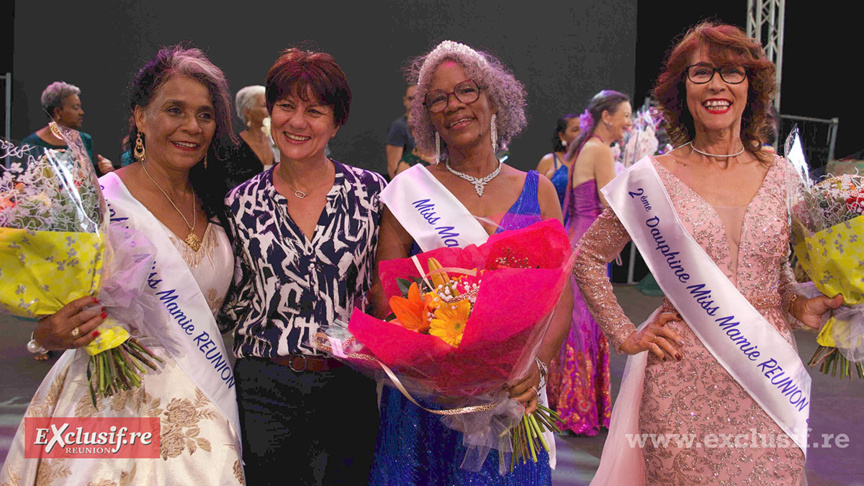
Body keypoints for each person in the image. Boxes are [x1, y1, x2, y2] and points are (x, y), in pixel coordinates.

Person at [573, 22, 843, 485]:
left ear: (750, 86)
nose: (717, 84)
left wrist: (800, 304)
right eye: (701, 73)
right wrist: (624, 334)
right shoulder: (650, 178)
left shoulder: (782, 175)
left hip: (766, 376)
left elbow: (773, 275)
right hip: (682, 379)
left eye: (731, 72)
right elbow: (587, 258)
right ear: (683, 90)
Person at [0, 45, 244, 485]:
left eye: (205, 115)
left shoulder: (218, 202)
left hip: (202, 406)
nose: (192, 126)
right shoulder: (96, 203)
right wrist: (44, 336)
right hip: (108, 410)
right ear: (140, 116)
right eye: (175, 110)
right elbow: (48, 319)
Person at [369, 40, 572, 485]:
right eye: (438, 99)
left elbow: (560, 295)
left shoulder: (538, 191)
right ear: (427, 116)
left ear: (493, 97)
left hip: (510, 395)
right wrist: (435, 346)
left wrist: (534, 367)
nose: (453, 105)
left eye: (466, 90)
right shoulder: (410, 189)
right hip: (427, 402)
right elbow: (386, 292)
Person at [219, 48, 385, 486]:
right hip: (265, 384)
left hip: (348, 383)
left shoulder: (371, 194)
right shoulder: (241, 202)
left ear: (336, 121)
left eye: (314, 110)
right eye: (286, 107)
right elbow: (231, 299)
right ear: (269, 112)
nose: (297, 122)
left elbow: (387, 289)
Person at [546, 90, 631, 436]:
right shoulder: (600, 149)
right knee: (584, 326)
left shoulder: (586, 147)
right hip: (588, 246)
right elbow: (612, 206)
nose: (628, 122)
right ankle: (576, 409)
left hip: (577, 238)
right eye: (624, 115)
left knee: (579, 324)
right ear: (606, 117)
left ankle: (567, 403)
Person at [21, 81, 115, 176]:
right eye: (75, 108)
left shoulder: (85, 140)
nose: (81, 112)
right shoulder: (31, 144)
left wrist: (107, 171)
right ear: (57, 112)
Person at [224, 85, 277, 189]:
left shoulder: (277, 142)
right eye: (264, 106)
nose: (270, 110)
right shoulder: (233, 145)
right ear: (247, 112)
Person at [535, 113, 580, 206]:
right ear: (562, 136)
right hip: (555, 218)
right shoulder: (549, 160)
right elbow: (533, 196)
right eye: (575, 130)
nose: (582, 133)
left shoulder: (593, 162)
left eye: (585, 129)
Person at [384, 83, 417, 179]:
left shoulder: (430, 125)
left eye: (417, 99)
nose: (414, 103)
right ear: (404, 101)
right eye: (411, 99)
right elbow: (392, 167)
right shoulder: (399, 126)